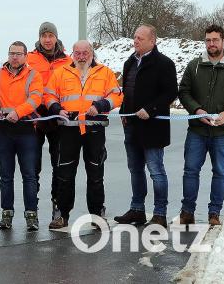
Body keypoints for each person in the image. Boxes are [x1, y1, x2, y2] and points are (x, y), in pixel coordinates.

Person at [42, 40, 122, 230]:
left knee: (95, 173)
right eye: (77, 53)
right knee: (65, 173)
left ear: (92, 53)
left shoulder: (105, 72)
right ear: (72, 53)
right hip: (68, 129)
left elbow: (117, 95)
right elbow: (49, 95)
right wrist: (56, 108)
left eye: (85, 52)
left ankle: (97, 215)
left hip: (94, 128)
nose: (81, 56)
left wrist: (101, 105)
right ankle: (61, 214)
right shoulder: (61, 72)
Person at [178, 24, 224, 227]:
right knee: (191, 170)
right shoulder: (194, 65)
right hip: (197, 130)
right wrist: (196, 110)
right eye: (208, 40)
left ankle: (214, 213)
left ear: (223, 41)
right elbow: (184, 92)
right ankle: (187, 212)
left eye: (215, 40)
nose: (211, 44)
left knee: (220, 171)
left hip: (223, 132)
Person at [113, 25, 177, 228]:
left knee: (156, 170)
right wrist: (124, 110)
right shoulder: (129, 62)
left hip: (153, 126)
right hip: (132, 126)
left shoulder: (164, 64)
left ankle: (160, 213)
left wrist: (151, 109)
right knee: (135, 169)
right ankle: (137, 210)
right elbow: (128, 91)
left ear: (152, 41)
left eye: (140, 38)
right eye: (134, 37)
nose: (136, 41)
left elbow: (170, 93)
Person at [0, 41, 43, 231]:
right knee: (6, 176)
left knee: (29, 175)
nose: (15, 57)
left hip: (26, 130)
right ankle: (6, 214)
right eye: (11, 53)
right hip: (4, 131)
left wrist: (18, 112)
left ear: (26, 56)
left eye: (19, 54)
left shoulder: (33, 75)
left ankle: (31, 215)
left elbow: (35, 98)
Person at [27, 21, 68, 224]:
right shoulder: (30, 58)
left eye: (51, 35)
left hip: (57, 116)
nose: (47, 39)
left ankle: (57, 206)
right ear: (40, 38)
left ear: (56, 37)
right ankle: (32, 209)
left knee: (58, 164)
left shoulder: (67, 60)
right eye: (44, 35)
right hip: (35, 117)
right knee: (33, 166)